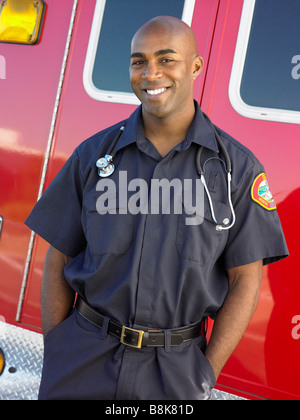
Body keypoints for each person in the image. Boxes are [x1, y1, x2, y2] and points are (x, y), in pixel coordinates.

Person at [25, 16, 288, 400]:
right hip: (82, 360)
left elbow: (245, 280)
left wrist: (204, 374)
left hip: (174, 373)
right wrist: (58, 351)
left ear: (195, 66)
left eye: (166, 59)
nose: (151, 73)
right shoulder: (94, 156)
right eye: (138, 61)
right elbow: (58, 257)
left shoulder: (237, 170)